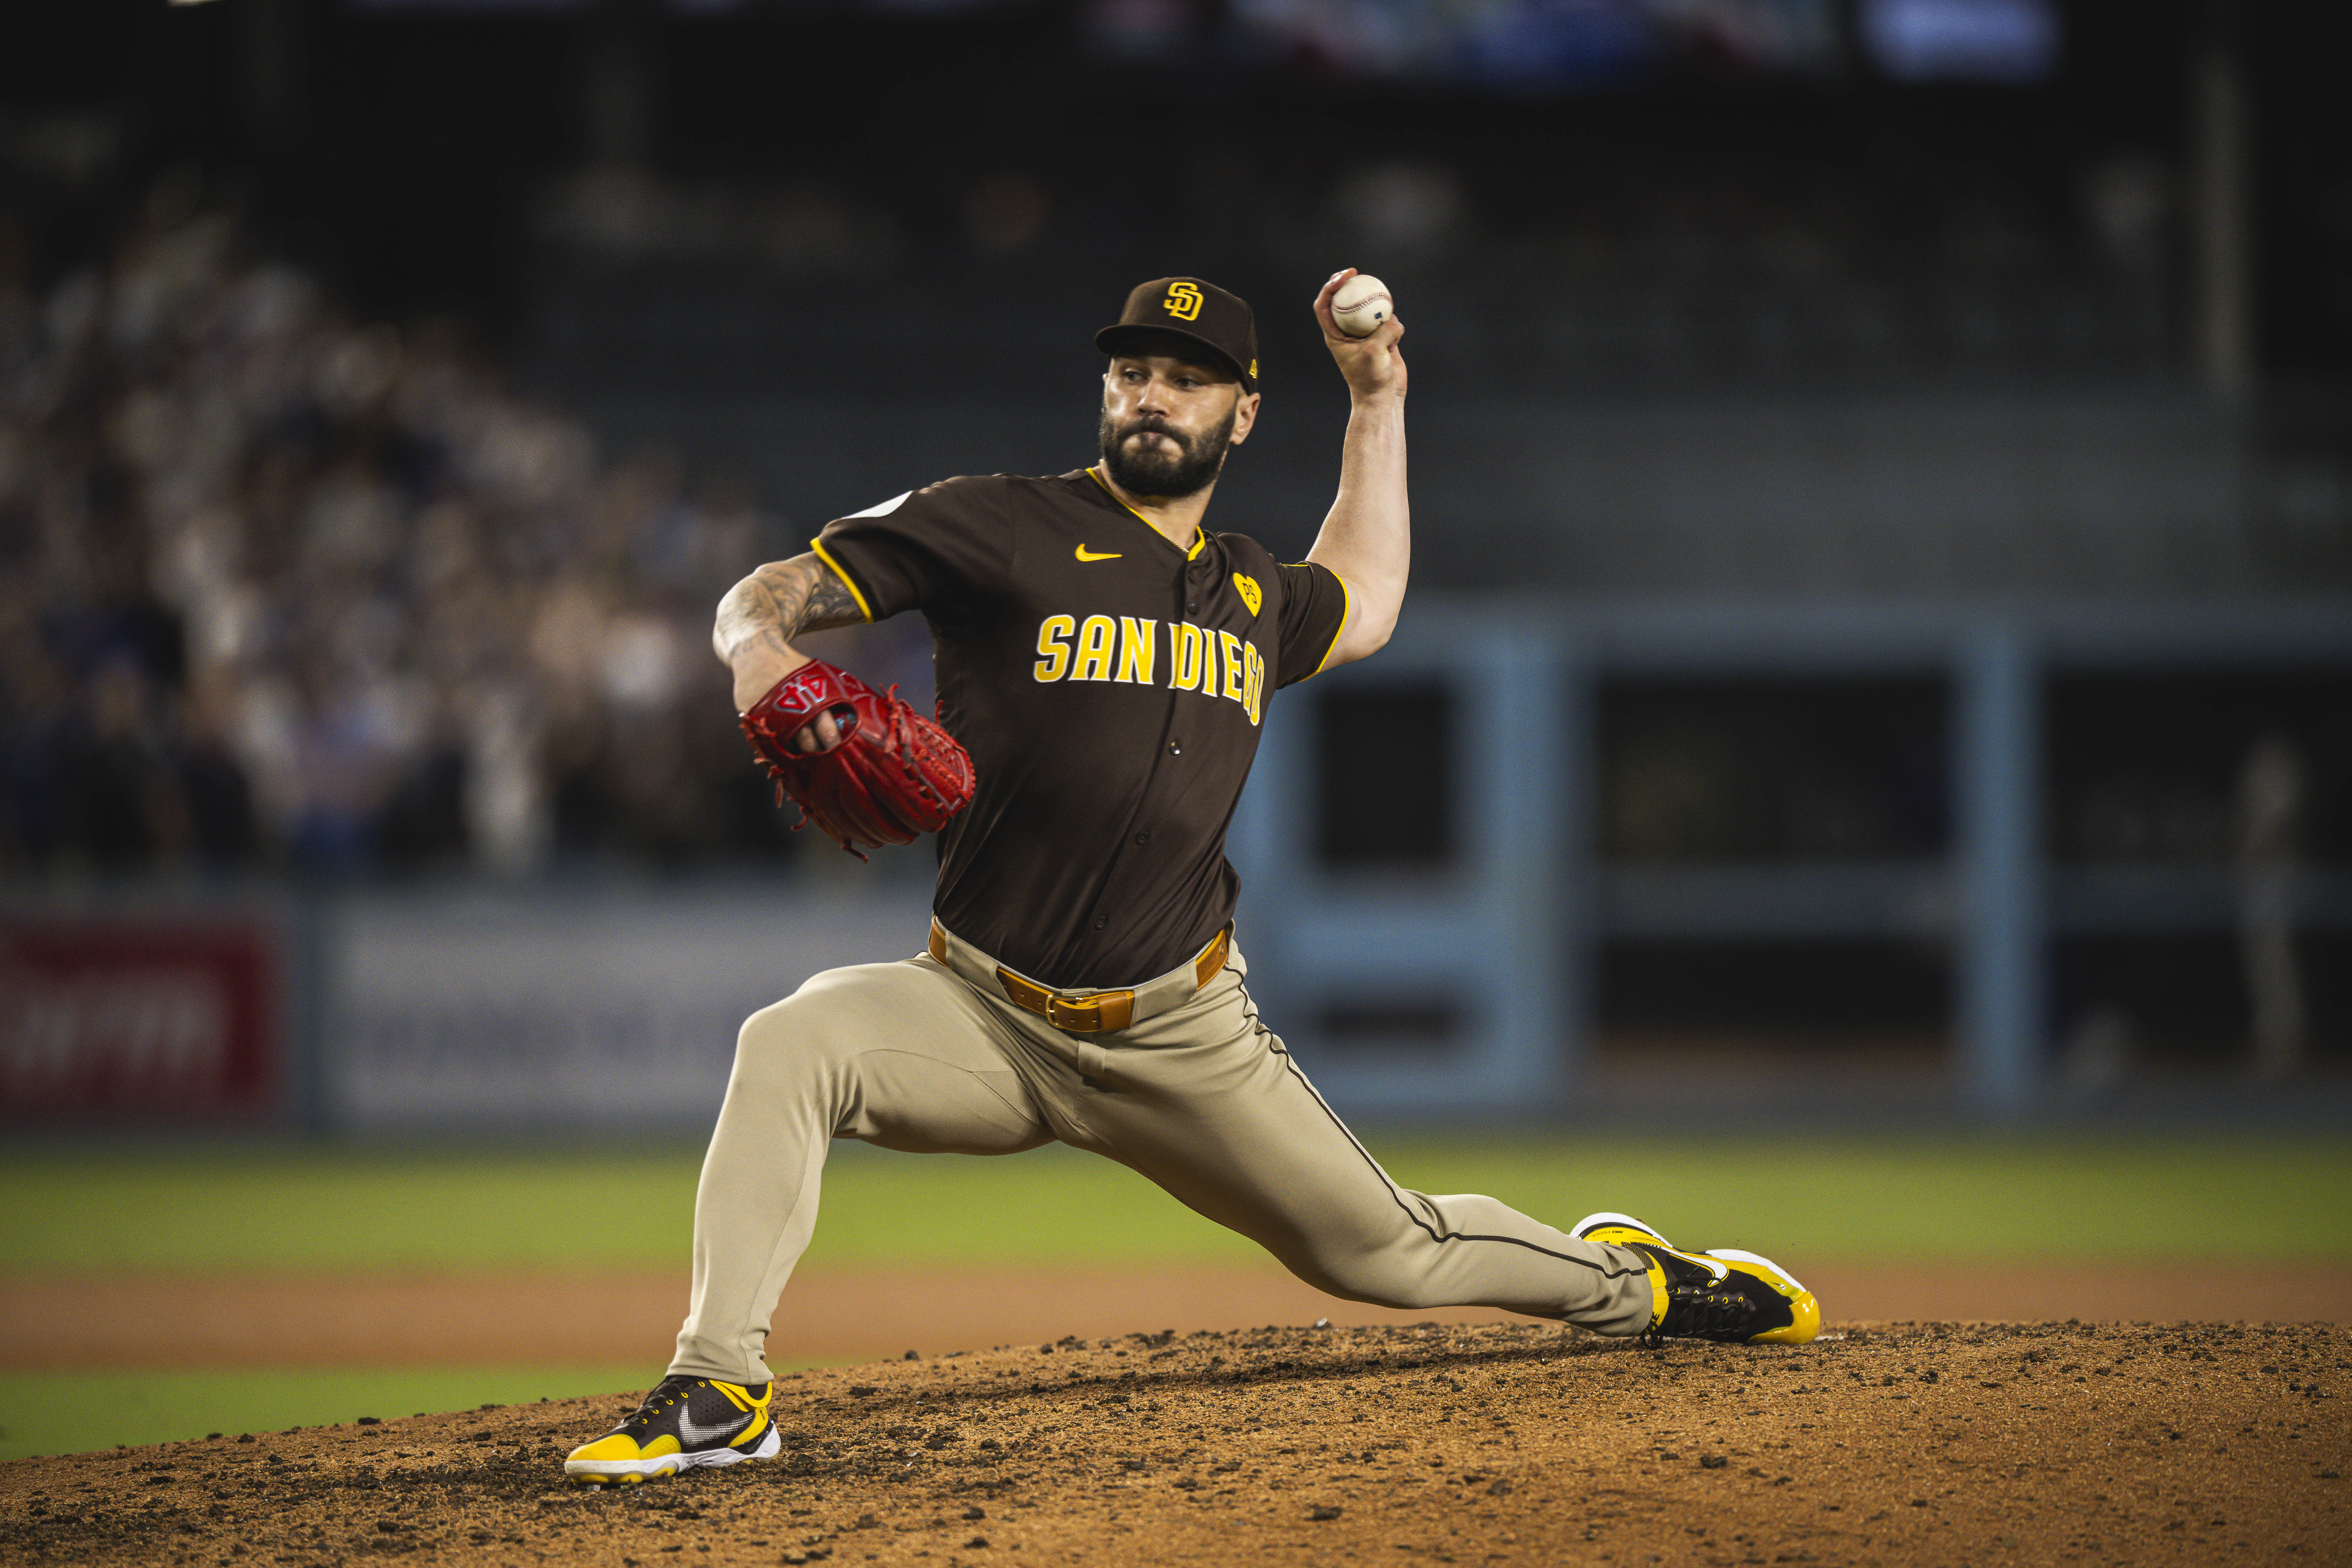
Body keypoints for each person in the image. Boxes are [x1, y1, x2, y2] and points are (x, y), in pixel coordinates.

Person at [561, 272, 1820, 1487]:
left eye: (1187, 378)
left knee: (1392, 1252)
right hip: (980, 1012)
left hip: (1182, 1031)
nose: (1154, 394)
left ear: (1243, 412)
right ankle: (717, 1389)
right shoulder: (998, 520)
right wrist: (757, 653)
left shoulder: (1249, 593)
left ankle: (1641, 1282)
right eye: (1133, 372)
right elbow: (762, 591)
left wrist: (1377, 395)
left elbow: (1369, 598)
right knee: (791, 1042)